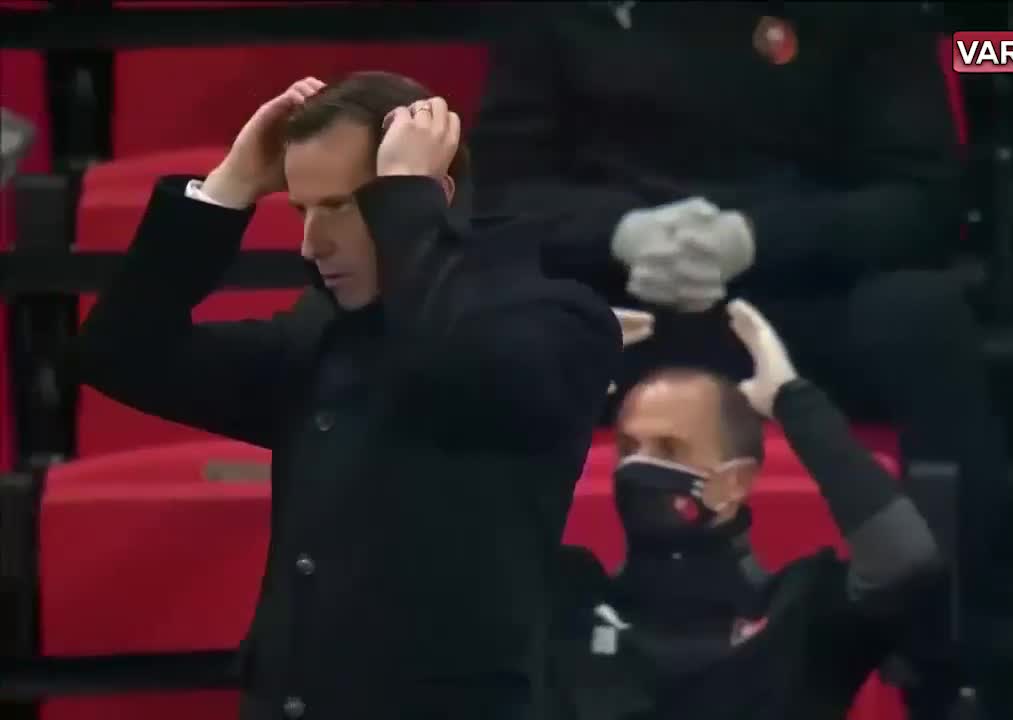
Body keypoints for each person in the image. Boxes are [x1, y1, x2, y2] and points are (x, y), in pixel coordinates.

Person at [470, 5, 1006, 718]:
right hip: (615, 298)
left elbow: (921, 199)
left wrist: (754, 237)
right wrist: (619, 234)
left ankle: (940, 670)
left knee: (923, 317)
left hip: (799, 293)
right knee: (484, 325)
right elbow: (498, 192)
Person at [75, 72, 626, 720]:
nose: (312, 245)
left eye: (339, 206)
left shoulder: (556, 319)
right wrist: (230, 186)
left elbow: (459, 361)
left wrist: (409, 200)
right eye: (302, 211)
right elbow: (121, 354)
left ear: (434, 195)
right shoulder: (319, 334)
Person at [547, 298, 942, 720]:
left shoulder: (798, 613)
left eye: (669, 449)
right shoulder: (571, 598)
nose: (638, 467)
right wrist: (538, 389)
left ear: (735, 481)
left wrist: (795, 402)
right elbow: (490, 551)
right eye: (628, 448)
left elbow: (906, 560)